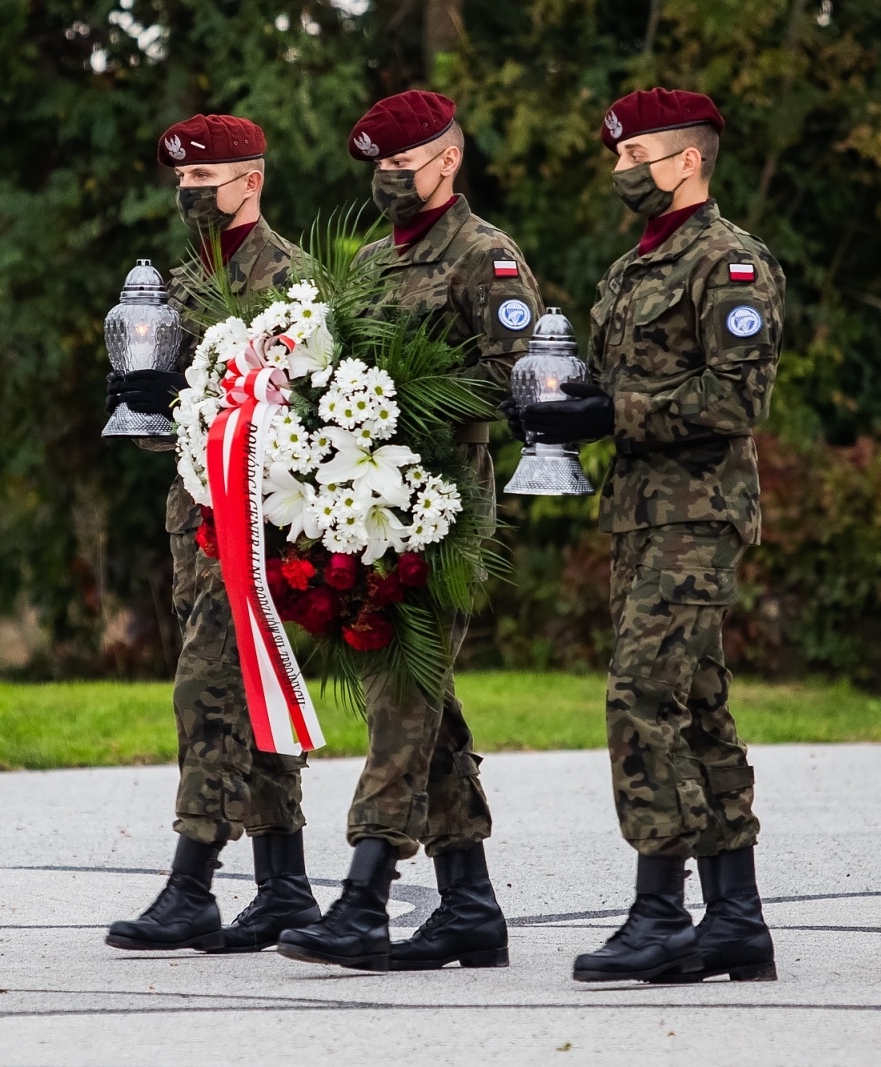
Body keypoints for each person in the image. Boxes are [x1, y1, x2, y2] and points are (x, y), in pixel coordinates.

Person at [515, 88, 783, 984]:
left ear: (689, 162)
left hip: (696, 514)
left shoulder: (729, 263)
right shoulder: (635, 267)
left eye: (636, 158)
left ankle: (661, 913)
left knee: (641, 697)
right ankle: (735, 919)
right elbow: (625, 382)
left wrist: (613, 410)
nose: (621, 171)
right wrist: (563, 402)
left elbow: (738, 398)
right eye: (618, 158)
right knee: (696, 704)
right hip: (642, 514)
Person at [276, 90, 543, 973]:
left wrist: (404, 410)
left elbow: (520, 387)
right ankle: (469, 904)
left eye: (403, 163)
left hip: (444, 503)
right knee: (421, 691)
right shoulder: (373, 263)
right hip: (371, 502)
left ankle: (363, 897)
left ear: (448, 159)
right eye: (378, 168)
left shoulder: (485, 257)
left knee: (403, 696)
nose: (389, 179)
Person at [104, 114, 319, 955]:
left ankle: (191, 885)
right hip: (194, 521)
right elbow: (176, 423)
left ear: (250, 182)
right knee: (251, 698)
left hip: (257, 523)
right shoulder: (183, 283)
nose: (190, 193)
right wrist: (140, 400)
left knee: (209, 692)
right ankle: (285, 885)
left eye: (205, 180)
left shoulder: (290, 280)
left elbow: (299, 407)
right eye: (182, 182)